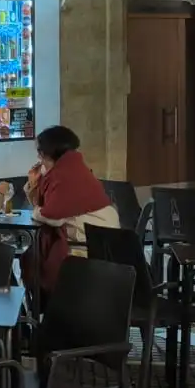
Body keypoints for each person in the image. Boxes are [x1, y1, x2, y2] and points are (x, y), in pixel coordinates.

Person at [26, 125, 119, 300]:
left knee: (37, 261)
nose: (39, 158)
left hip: (93, 247)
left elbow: (52, 217)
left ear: (50, 152)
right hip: (94, 241)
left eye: (40, 152)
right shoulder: (71, 169)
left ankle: (50, 311)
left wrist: (37, 211)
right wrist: (34, 186)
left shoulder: (66, 175)